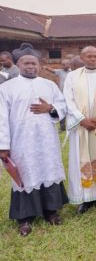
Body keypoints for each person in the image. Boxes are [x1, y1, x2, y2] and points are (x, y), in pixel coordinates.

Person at [0, 44, 68, 236]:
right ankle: (25, 218)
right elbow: (1, 117)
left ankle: (51, 212)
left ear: (39, 65)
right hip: (21, 141)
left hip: (46, 139)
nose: (31, 67)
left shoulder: (49, 85)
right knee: (25, 173)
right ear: (19, 64)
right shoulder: (7, 88)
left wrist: (50, 109)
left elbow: (62, 106)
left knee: (48, 169)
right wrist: (3, 145)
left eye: (34, 63)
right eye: (27, 63)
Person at [63, 46, 96, 214]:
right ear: (82, 57)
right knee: (82, 159)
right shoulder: (72, 76)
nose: (92, 59)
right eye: (89, 56)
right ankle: (86, 198)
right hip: (82, 126)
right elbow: (68, 99)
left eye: (95, 56)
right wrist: (81, 119)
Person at [44, 59, 71, 131]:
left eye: (66, 64)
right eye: (63, 64)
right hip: (62, 95)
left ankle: (71, 126)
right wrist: (46, 67)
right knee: (62, 110)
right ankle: (62, 128)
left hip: (71, 95)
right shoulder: (60, 71)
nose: (65, 66)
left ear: (69, 64)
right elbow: (53, 70)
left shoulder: (72, 72)